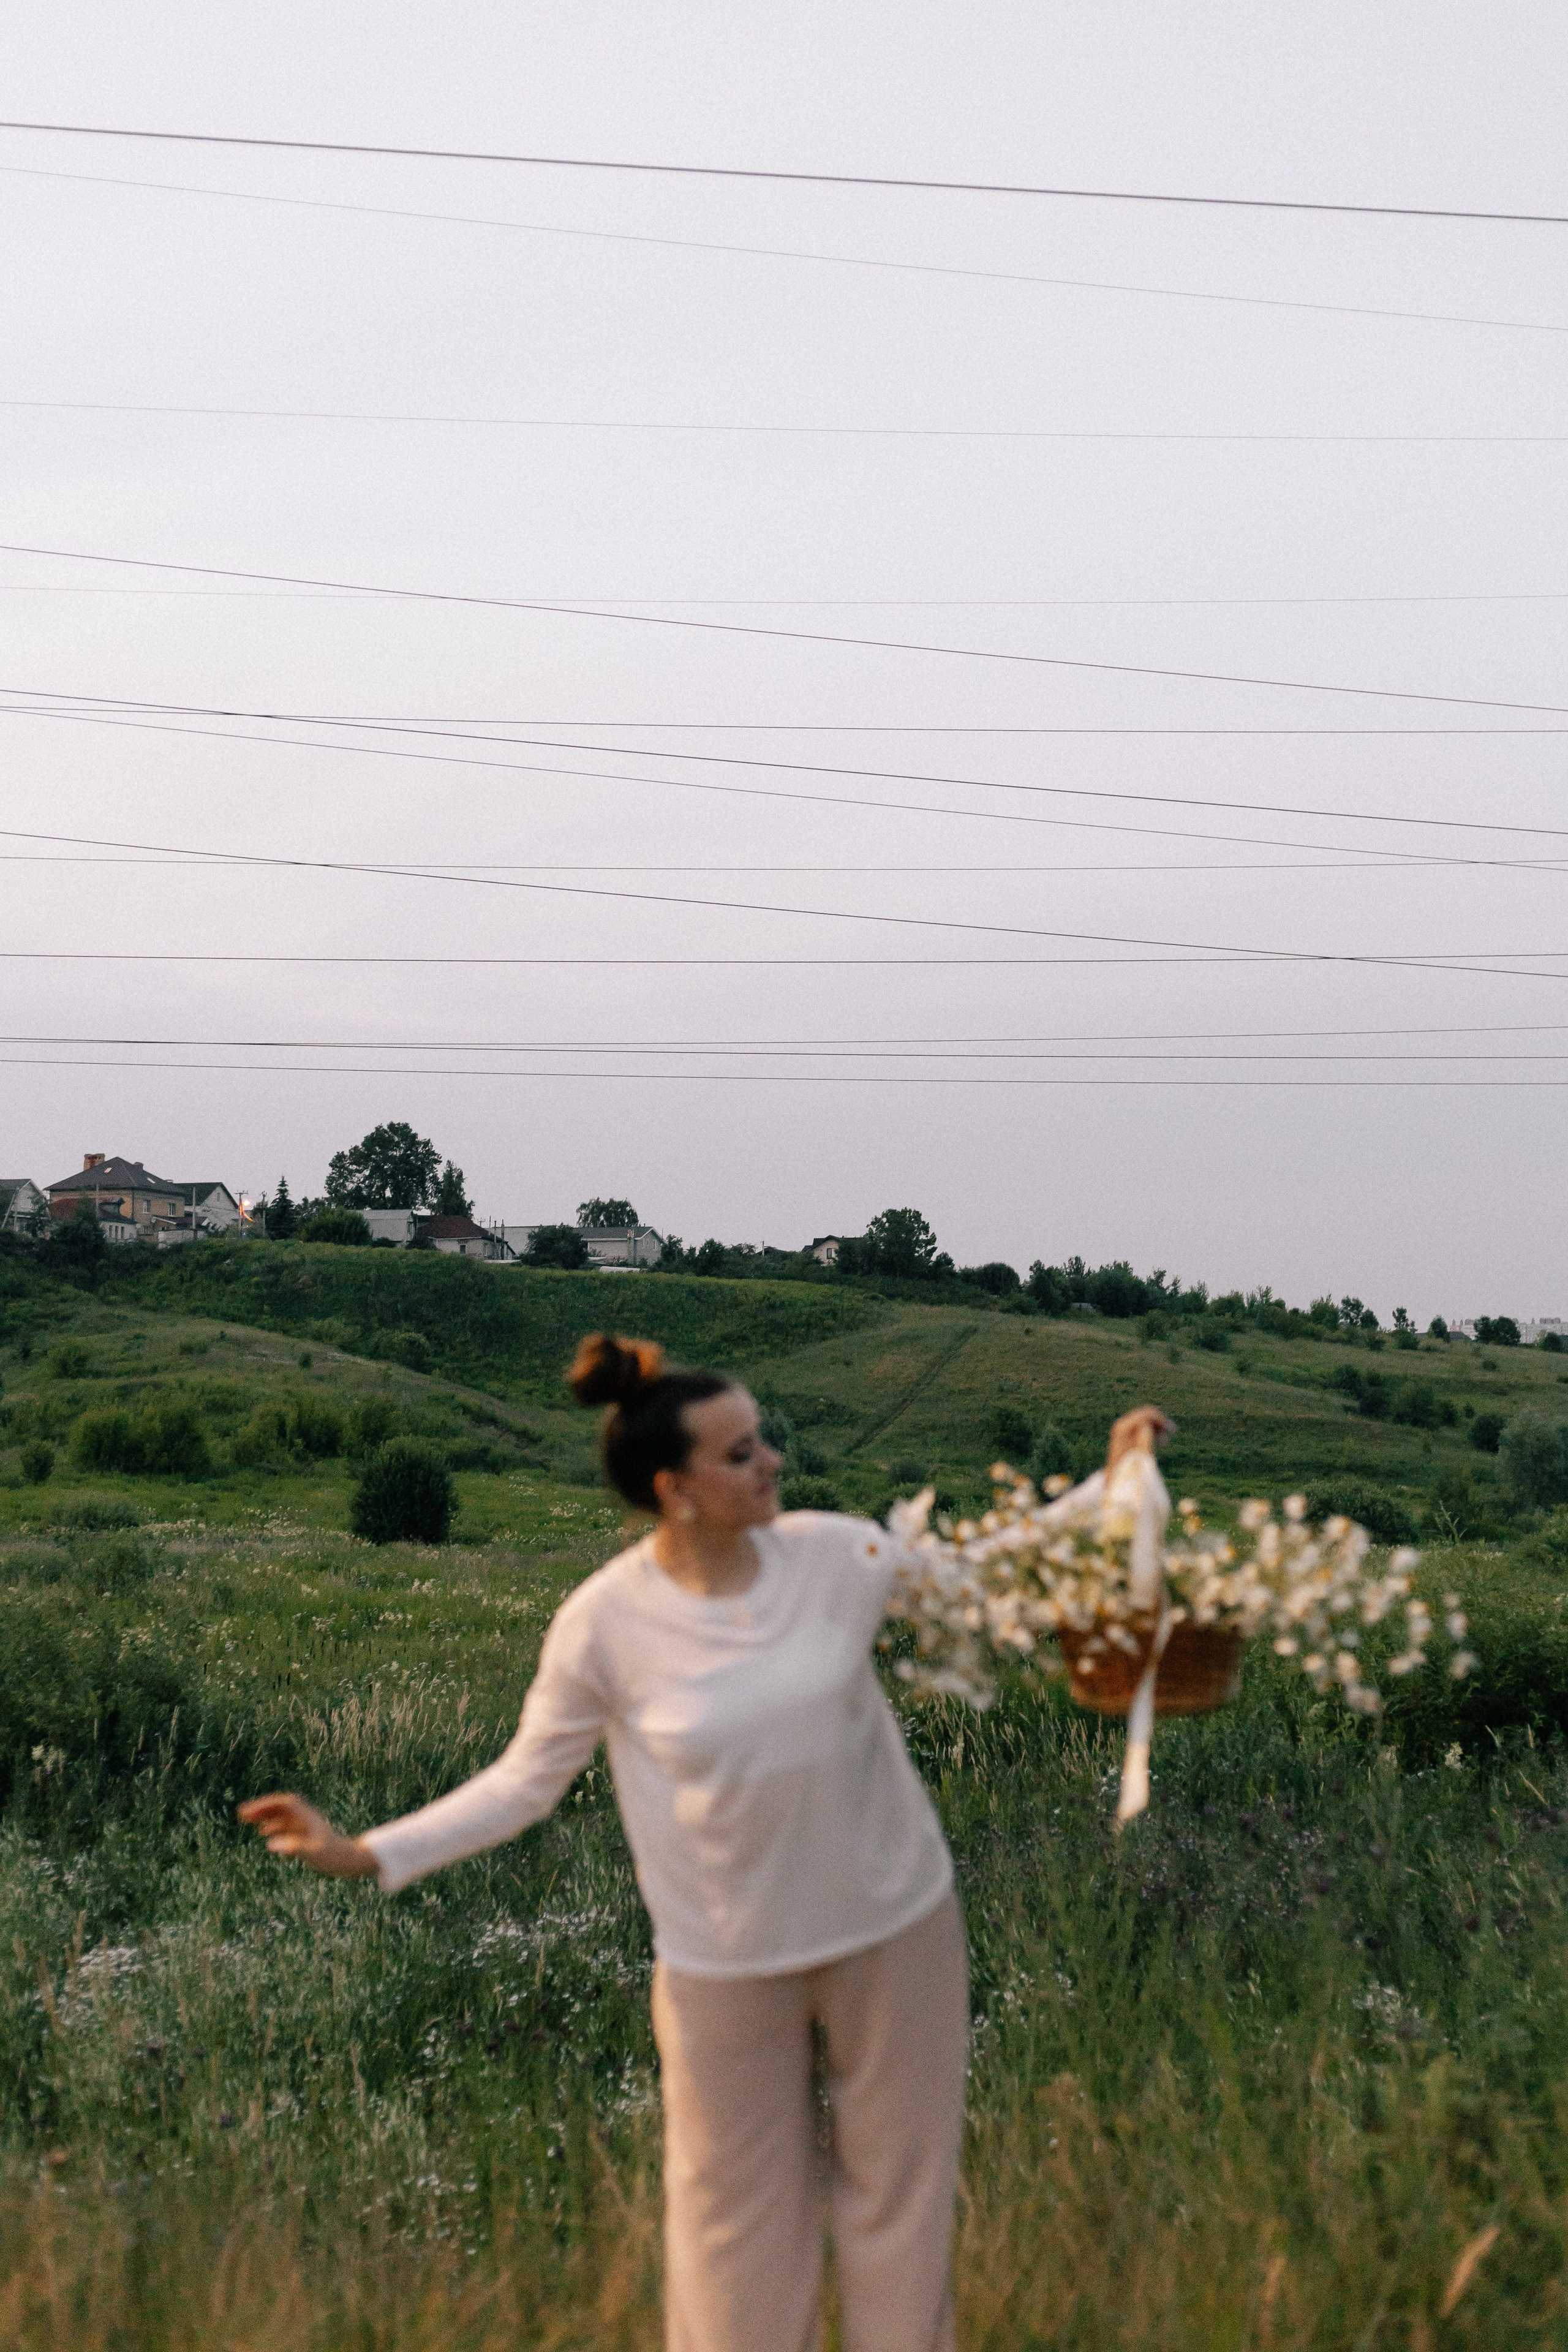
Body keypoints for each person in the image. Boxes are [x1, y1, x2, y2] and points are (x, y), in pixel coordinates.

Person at [241, 1332, 1170, 2352]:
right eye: (739, 1453)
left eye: (761, 1439)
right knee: (735, 2240)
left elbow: (977, 1570)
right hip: (723, 1966)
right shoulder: (603, 1624)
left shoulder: (834, 1553)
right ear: (672, 1487)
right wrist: (366, 1851)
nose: (771, 1459)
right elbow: (524, 1782)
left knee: (898, 2217)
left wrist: (1114, 1484)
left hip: (894, 1928)